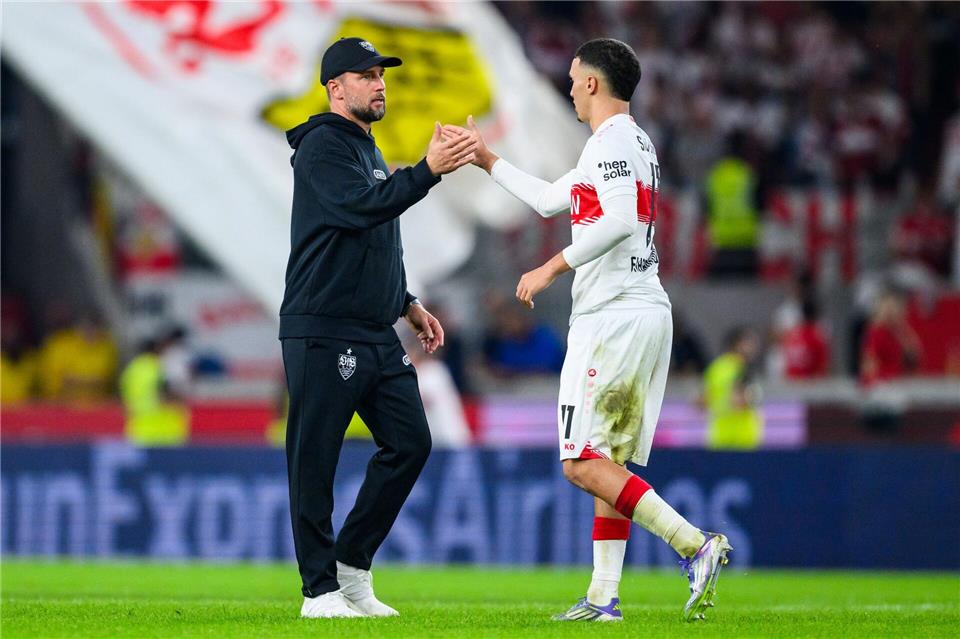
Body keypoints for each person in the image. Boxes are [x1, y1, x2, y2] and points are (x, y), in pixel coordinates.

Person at [461, 38, 731, 623]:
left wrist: (552, 267)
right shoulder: (626, 144)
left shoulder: (611, 144)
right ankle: (603, 598)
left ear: (592, 83)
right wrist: (487, 159)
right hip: (639, 310)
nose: (568, 86)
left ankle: (693, 543)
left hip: (612, 314)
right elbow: (551, 200)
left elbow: (620, 220)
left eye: (572, 76)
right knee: (608, 461)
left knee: (581, 462)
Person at [278, 37, 476, 619]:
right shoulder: (321, 147)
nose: (379, 82)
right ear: (335, 87)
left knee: (411, 442)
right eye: (366, 75)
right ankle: (318, 591)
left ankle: (351, 568)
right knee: (314, 459)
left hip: (371, 329)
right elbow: (364, 210)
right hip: (323, 326)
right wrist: (429, 172)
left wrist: (407, 303)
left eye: (381, 74)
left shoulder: (365, 147)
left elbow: (373, 236)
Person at [703, 327, 764, 449]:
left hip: (719, 436)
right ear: (738, 344)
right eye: (749, 342)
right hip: (743, 438)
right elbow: (741, 401)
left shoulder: (716, 367)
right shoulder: (742, 369)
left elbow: (704, 400)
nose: (753, 347)